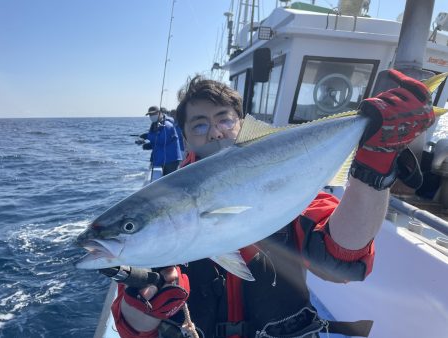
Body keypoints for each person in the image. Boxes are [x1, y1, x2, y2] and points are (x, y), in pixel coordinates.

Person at [112, 70, 434, 338]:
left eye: (224, 119)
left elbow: (342, 258)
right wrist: (145, 305)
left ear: (241, 123)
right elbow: (133, 327)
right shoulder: (160, 206)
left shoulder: (287, 182)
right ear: (184, 136)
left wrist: (375, 168)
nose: (214, 132)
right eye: (199, 124)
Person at [136, 106, 184, 176]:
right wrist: (147, 144)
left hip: (171, 160)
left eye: (154, 114)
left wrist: (147, 136)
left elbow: (163, 139)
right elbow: (157, 142)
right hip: (161, 159)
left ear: (160, 113)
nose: (152, 116)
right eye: (150, 115)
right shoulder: (156, 125)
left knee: (170, 182)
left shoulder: (167, 125)